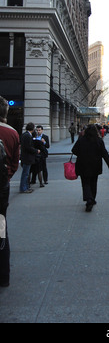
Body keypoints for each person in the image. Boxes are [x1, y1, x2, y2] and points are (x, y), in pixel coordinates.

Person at [0, 96, 20, 288]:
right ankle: (3, 275)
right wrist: (6, 178)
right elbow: (15, 163)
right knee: (1, 229)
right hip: (1, 189)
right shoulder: (12, 133)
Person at [72, 124, 109, 212]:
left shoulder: (81, 140)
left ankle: (88, 199)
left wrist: (81, 153)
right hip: (95, 165)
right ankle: (92, 198)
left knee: (85, 183)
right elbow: (104, 153)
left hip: (83, 165)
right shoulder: (99, 141)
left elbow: (74, 150)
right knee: (93, 183)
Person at [19, 123, 40, 194]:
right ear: (32, 129)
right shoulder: (28, 136)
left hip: (25, 157)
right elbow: (28, 147)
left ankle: (26, 187)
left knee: (26, 173)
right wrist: (36, 151)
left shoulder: (24, 135)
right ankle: (23, 188)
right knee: (25, 174)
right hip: (27, 157)